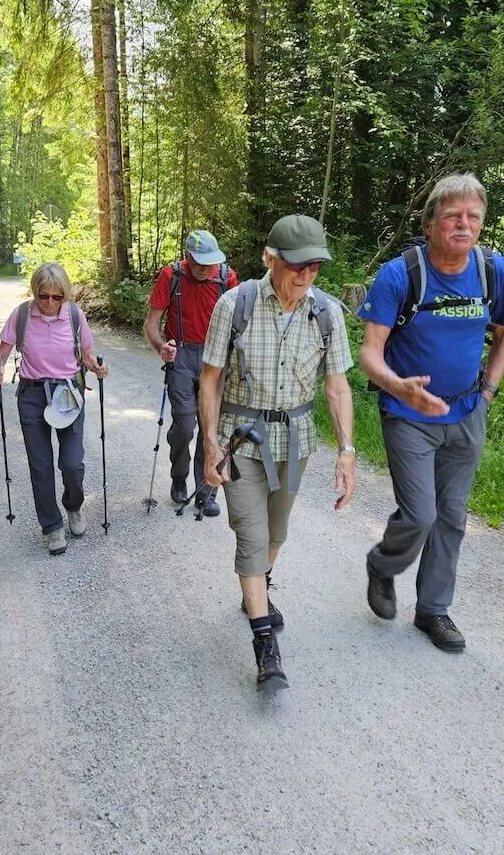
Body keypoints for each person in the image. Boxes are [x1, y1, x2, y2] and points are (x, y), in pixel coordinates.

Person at [357, 172, 504, 653]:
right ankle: (383, 566)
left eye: (473, 217)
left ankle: (433, 610)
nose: (463, 225)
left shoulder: (493, 270)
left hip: (468, 411)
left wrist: (488, 390)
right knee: (421, 514)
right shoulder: (400, 274)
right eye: (452, 216)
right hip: (408, 415)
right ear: (430, 224)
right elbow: (369, 351)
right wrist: (397, 387)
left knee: (452, 516)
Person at [199, 214, 356, 689]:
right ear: (271, 259)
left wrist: (346, 450)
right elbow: (210, 378)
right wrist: (209, 443)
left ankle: (257, 589)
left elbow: (337, 386)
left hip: (296, 440)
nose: (306, 276)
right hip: (240, 439)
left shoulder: (327, 313)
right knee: (250, 533)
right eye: (297, 266)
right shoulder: (235, 304)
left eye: (315, 267)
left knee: (276, 531)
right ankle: (265, 645)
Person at [0, 263, 110, 555]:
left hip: (68, 392)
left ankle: (74, 506)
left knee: (72, 463)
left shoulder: (74, 314)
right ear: (35, 292)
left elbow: (88, 354)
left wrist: (97, 367)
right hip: (32, 393)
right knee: (40, 465)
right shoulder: (21, 315)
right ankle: (52, 526)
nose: (51, 303)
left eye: (58, 297)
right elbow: (1, 355)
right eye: (44, 296)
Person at [142, 229, 239, 517]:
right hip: (181, 356)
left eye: (210, 263)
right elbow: (151, 322)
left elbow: (240, 321)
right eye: (199, 264)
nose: (206, 269)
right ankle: (178, 476)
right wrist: (162, 346)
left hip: (216, 358)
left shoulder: (226, 278)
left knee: (211, 427)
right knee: (185, 426)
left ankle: (206, 489)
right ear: (187, 258)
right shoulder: (171, 275)